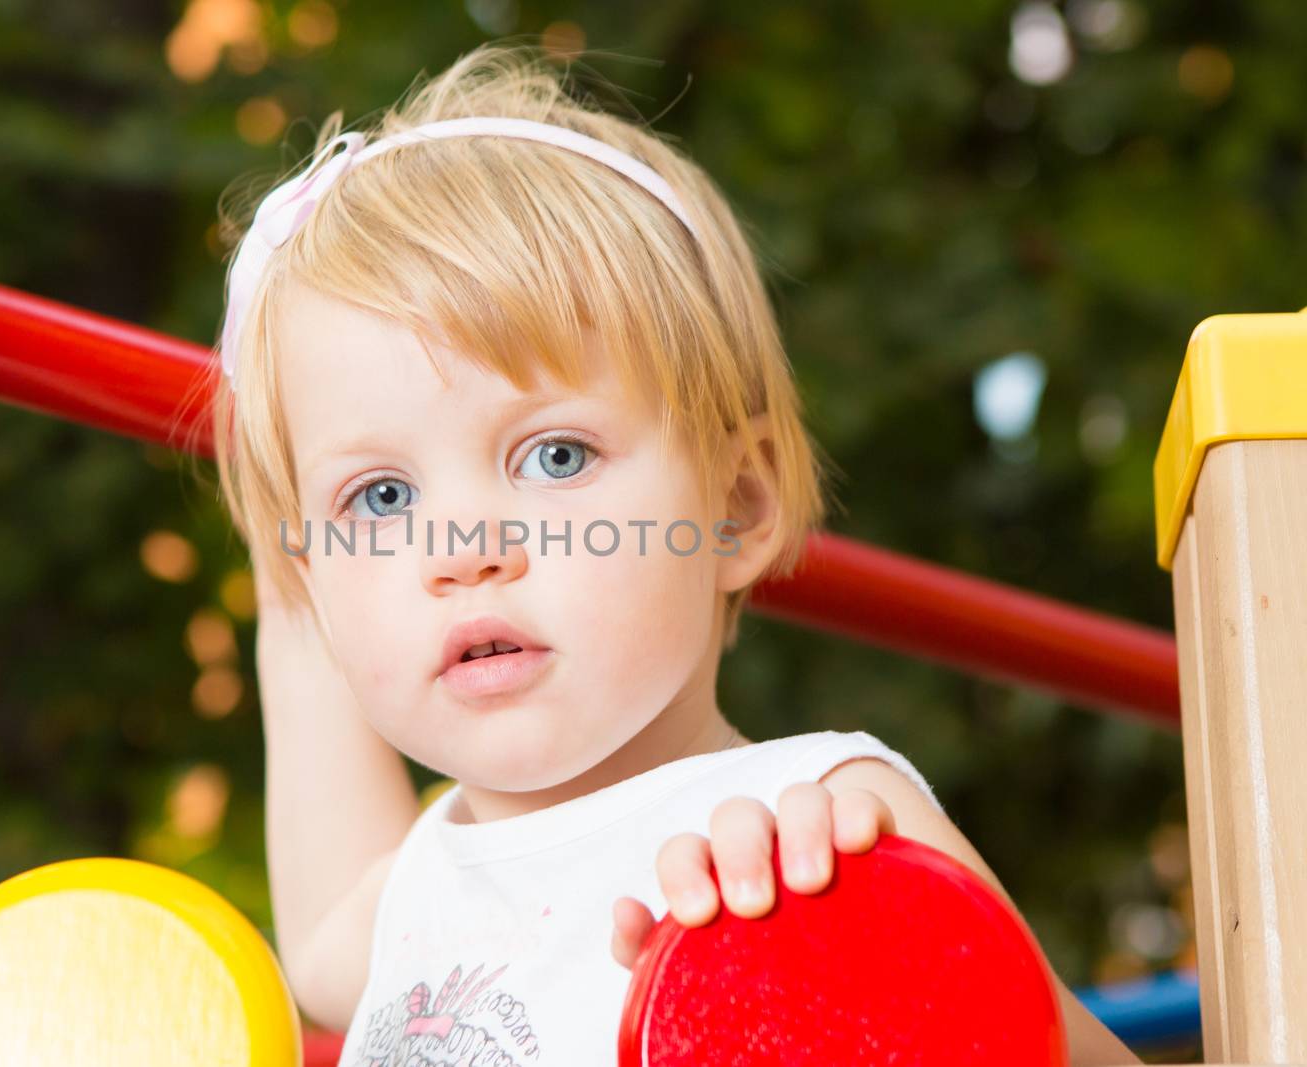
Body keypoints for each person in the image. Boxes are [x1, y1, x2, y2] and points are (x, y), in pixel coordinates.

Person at [209, 41, 1139, 1066]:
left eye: (555, 454)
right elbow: (316, 914)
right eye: (380, 496)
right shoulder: (409, 889)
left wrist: (867, 976)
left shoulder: (823, 830)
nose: (460, 549)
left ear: (734, 506)